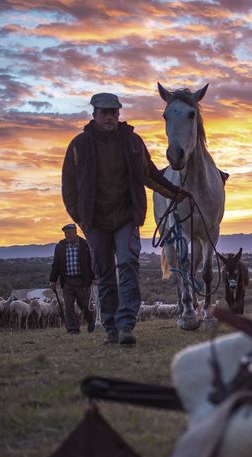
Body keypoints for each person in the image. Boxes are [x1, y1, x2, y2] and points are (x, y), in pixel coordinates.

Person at [62, 92, 188, 345]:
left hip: (126, 218)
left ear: (119, 114)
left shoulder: (132, 142)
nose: (109, 117)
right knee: (105, 274)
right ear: (95, 114)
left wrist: (175, 194)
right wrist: (83, 220)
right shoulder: (79, 146)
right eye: (104, 112)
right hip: (95, 223)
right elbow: (69, 189)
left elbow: (149, 175)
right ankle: (111, 328)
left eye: (113, 112)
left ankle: (126, 325)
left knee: (129, 264)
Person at [50, 223, 95, 334]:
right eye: (65, 233)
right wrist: (53, 280)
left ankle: (91, 323)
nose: (67, 235)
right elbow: (56, 264)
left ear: (75, 232)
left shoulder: (85, 244)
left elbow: (92, 262)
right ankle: (73, 329)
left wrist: (94, 277)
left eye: (69, 233)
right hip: (67, 281)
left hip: (82, 281)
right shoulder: (60, 246)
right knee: (68, 306)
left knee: (85, 305)